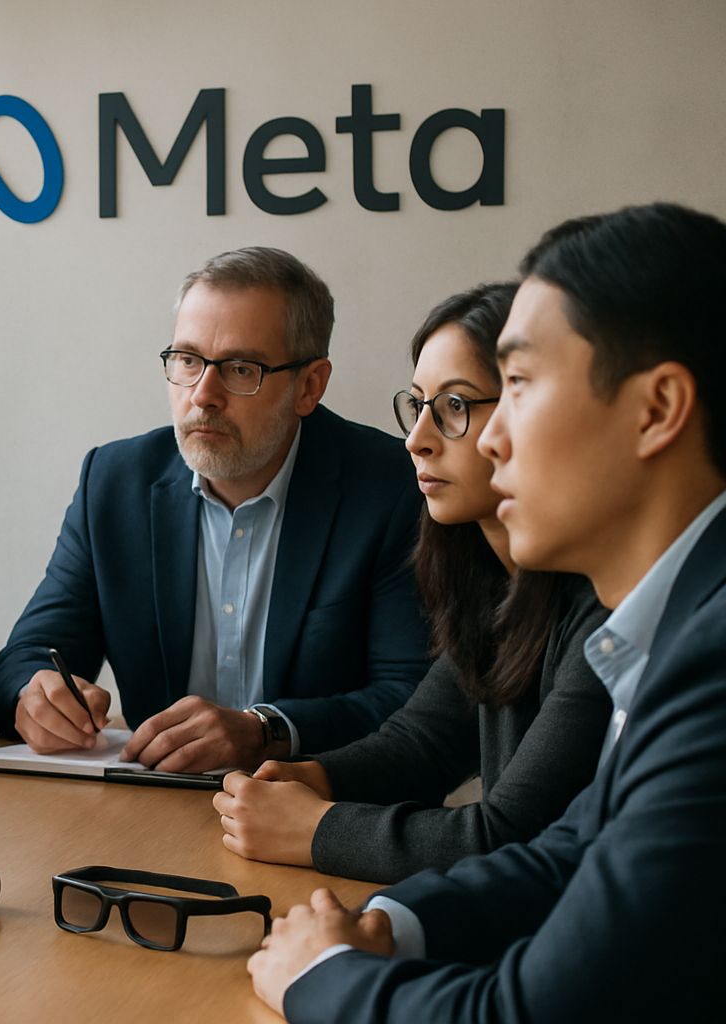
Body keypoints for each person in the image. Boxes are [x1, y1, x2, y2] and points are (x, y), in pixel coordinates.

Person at [249, 202, 726, 1021]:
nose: (492, 439)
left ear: (656, 410)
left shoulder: (711, 656)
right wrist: (387, 926)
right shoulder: (673, 624)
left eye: (522, 387)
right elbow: (572, 850)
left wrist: (323, 975)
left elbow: (528, 1013)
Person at [213, 282, 610, 883]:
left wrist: (314, 827)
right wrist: (308, 779)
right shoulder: (487, 573)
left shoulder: (605, 600)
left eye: (453, 407)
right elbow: (423, 741)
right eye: (418, 404)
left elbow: (512, 837)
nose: (416, 439)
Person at [0, 247, 430, 773]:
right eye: (188, 360)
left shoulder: (390, 487)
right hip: (152, 806)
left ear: (308, 386)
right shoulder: (115, 481)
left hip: (315, 808)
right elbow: (28, 654)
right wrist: (33, 695)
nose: (203, 395)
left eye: (241, 369)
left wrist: (268, 731)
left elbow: (414, 701)